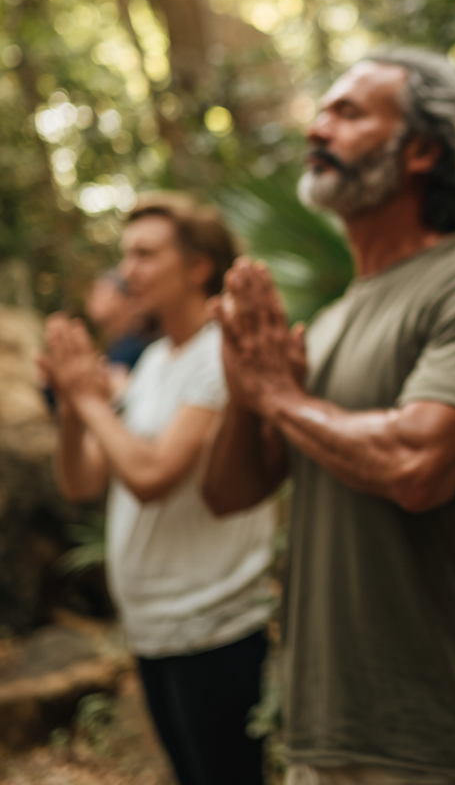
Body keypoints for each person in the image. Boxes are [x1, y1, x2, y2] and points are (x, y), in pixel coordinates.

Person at [202, 49, 455, 785]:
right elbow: (230, 492)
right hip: (320, 731)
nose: (319, 127)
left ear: (421, 150)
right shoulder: (328, 321)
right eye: (322, 110)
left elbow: (416, 468)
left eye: (348, 112)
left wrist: (281, 398)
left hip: (435, 739)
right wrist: (245, 390)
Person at [40, 193, 275, 785]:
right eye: (125, 256)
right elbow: (82, 480)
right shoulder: (151, 364)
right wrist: (74, 405)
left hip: (214, 628)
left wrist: (90, 400)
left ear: (198, 266)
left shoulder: (218, 357)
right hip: (152, 629)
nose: (128, 272)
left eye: (145, 254)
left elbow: (150, 477)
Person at [85, 268, 156, 389]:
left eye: (102, 290)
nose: (92, 298)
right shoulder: (115, 347)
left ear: (127, 299)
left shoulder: (140, 348)